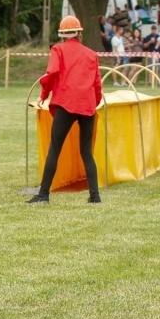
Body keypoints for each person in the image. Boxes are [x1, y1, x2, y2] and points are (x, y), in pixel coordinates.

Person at [27, 16, 103, 205]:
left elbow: (51, 73)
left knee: (55, 148)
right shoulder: (92, 54)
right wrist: (95, 102)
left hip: (65, 104)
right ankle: (95, 196)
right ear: (79, 32)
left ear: (62, 34)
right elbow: (97, 83)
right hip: (87, 106)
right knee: (86, 151)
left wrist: (44, 95)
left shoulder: (57, 49)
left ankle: (43, 195)